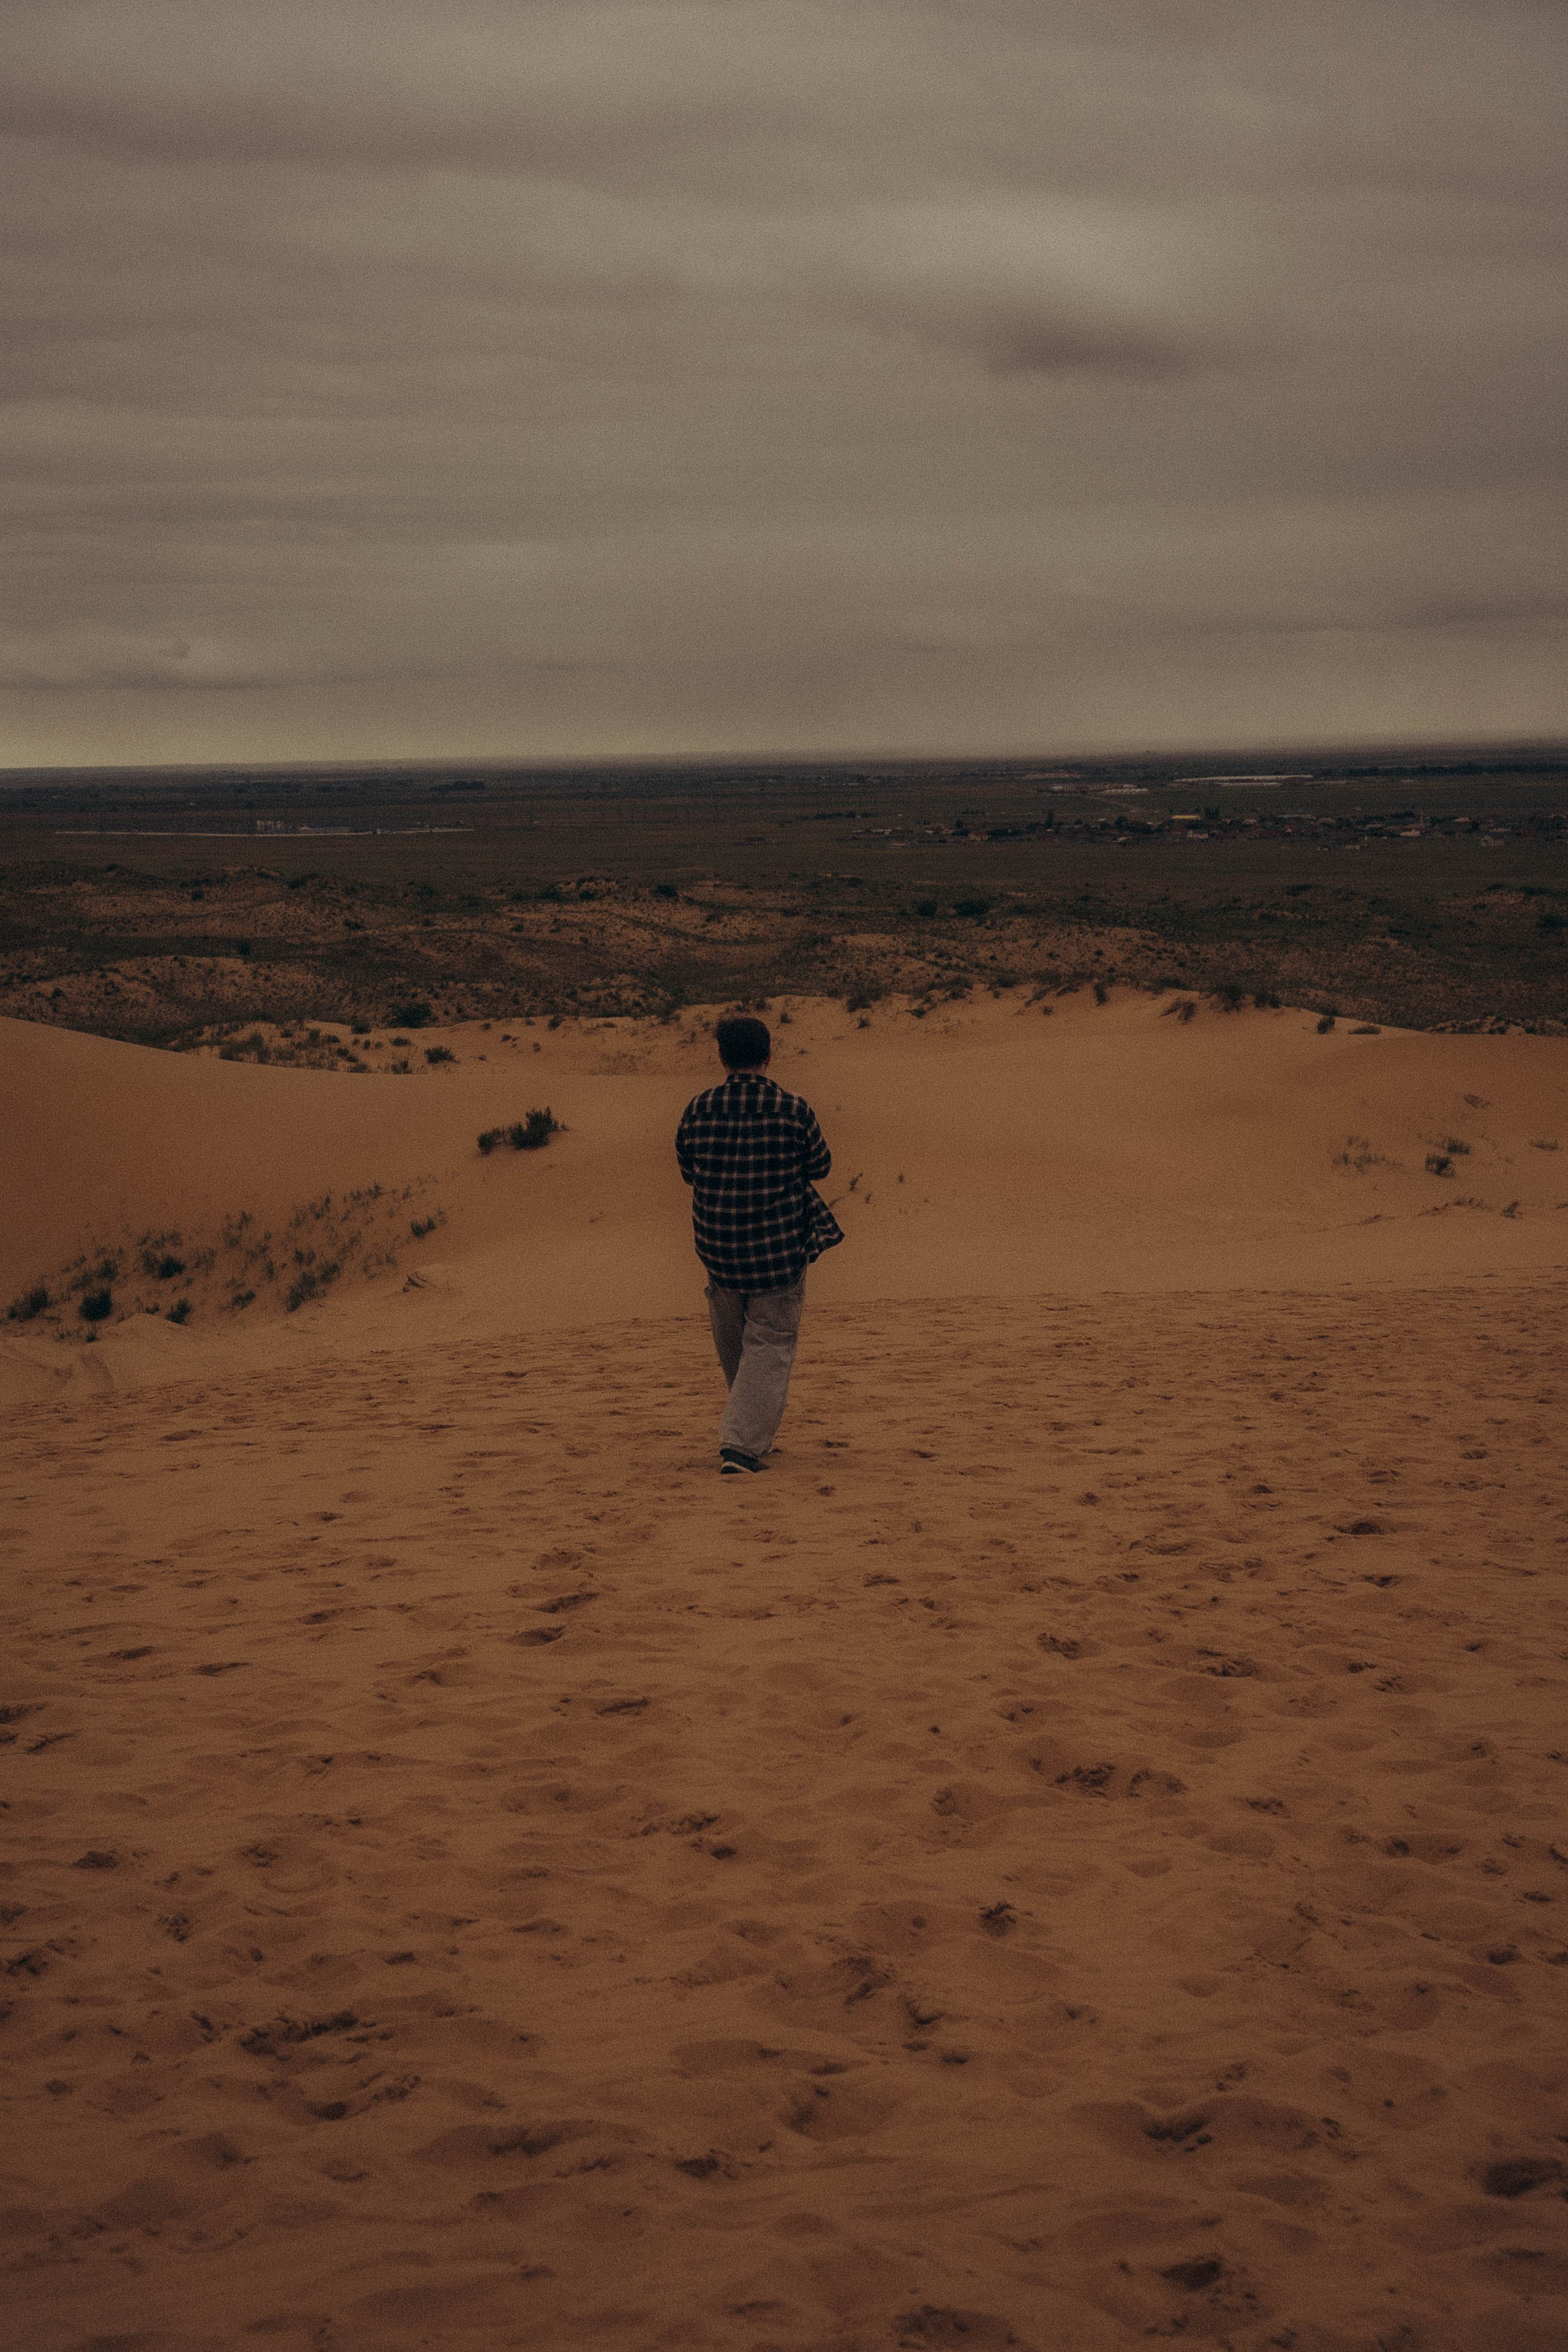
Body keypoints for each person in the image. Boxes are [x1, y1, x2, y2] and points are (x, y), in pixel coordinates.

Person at [675, 1014, 843, 1475]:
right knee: (770, 1342)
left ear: (721, 1058)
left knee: (737, 1344)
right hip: (777, 1248)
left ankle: (749, 1430)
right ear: (769, 1056)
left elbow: (688, 1170)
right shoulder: (793, 1109)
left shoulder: (699, 1108)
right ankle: (742, 1445)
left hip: (719, 1246)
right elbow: (821, 1165)